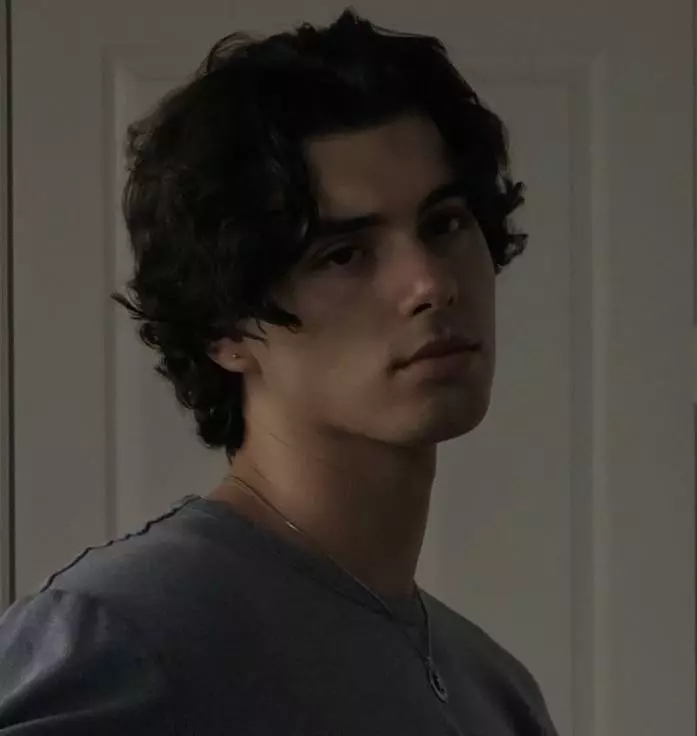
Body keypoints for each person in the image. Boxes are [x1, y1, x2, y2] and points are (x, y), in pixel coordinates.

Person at [0, 9, 559, 735]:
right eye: (344, 254)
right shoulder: (133, 635)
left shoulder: (495, 690)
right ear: (227, 330)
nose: (430, 282)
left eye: (444, 223)